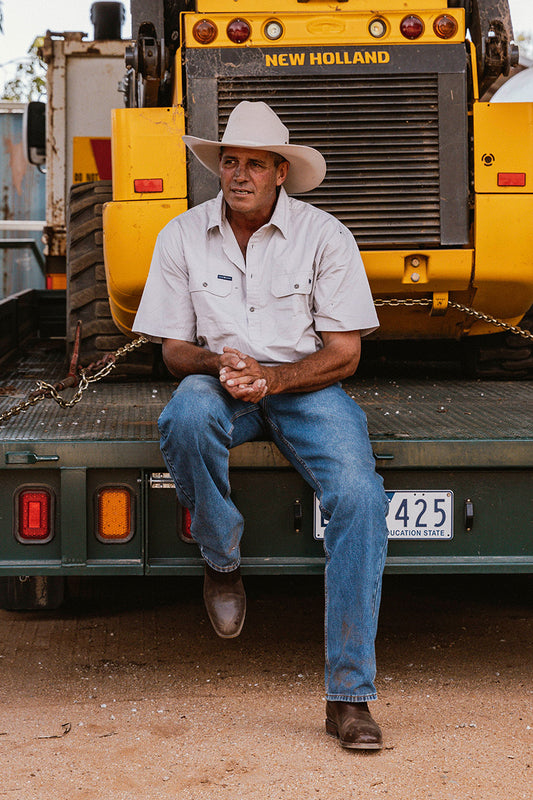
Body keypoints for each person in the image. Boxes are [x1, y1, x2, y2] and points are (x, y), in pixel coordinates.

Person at [133, 101, 389, 750]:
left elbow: (344, 354)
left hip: (305, 389)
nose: (239, 173)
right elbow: (172, 351)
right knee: (185, 414)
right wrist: (222, 364)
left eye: (254, 163)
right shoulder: (182, 235)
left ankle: (348, 698)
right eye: (229, 160)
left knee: (359, 498)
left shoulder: (324, 237)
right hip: (221, 383)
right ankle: (221, 558)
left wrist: (271, 380)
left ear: (280, 172)